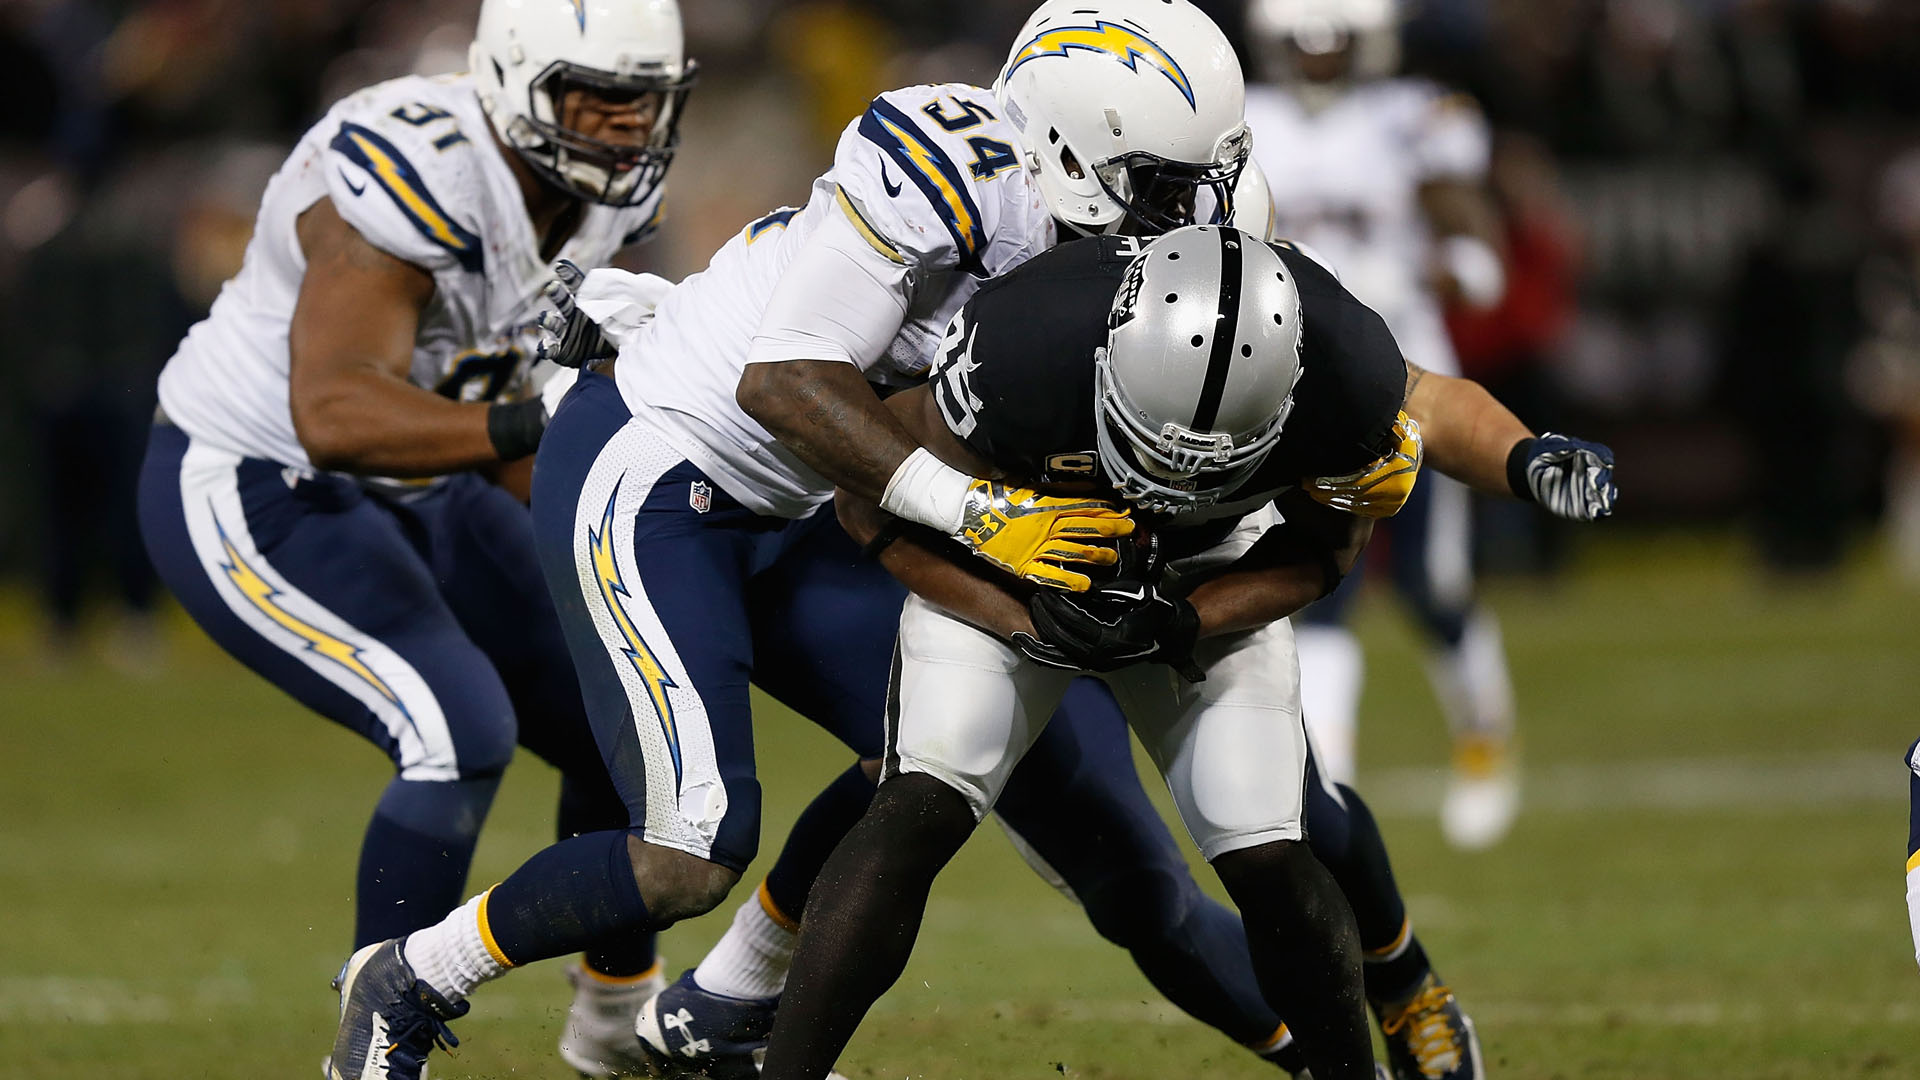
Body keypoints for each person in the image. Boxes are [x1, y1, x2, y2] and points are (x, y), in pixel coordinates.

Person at [327, 3, 1417, 1078]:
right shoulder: (944, 166)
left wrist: (1375, 437)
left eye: (1211, 171)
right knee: (691, 850)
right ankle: (415, 975)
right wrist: (986, 518)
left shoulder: (1154, 218)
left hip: (825, 499)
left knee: (927, 764)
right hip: (668, 471)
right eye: (1164, 181)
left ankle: (728, 1006)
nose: (1195, 206)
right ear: (1065, 150)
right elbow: (785, 383)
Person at [758, 222, 1617, 1080]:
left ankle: (1385, 1017)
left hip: (1212, 570)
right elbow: (867, 505)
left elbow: (1326, 553)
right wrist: (1016, 615)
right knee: (919, 807)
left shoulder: (1342, 368)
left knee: (1270, 847)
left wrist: (1187, 621)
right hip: (1014, 562)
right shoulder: (1029, 341)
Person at [133, 0, 698, 1074]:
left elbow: (495, 406)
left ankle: (618, 1025)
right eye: (599, 99)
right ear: (518, 83)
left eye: (647, 102)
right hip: (259, 479)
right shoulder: (419, 164)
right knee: (456, 726)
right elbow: (335, 413)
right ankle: (378, 1048)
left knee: (631, 713)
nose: (628, 128)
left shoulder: (594, 197)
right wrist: (552, 422)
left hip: (430, 478)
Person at [1243, 0, 1536, 849]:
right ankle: (1331, 781)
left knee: (1433, 587)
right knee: (1315, 590)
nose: (1318, 58)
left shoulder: (1414, 116)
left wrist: (1443, 269)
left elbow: (1474, 240)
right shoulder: (1246, 118)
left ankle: (1485, 741)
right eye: (1303, 43)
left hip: (1410, 380)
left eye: (1333, 43)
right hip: (1291, 383)